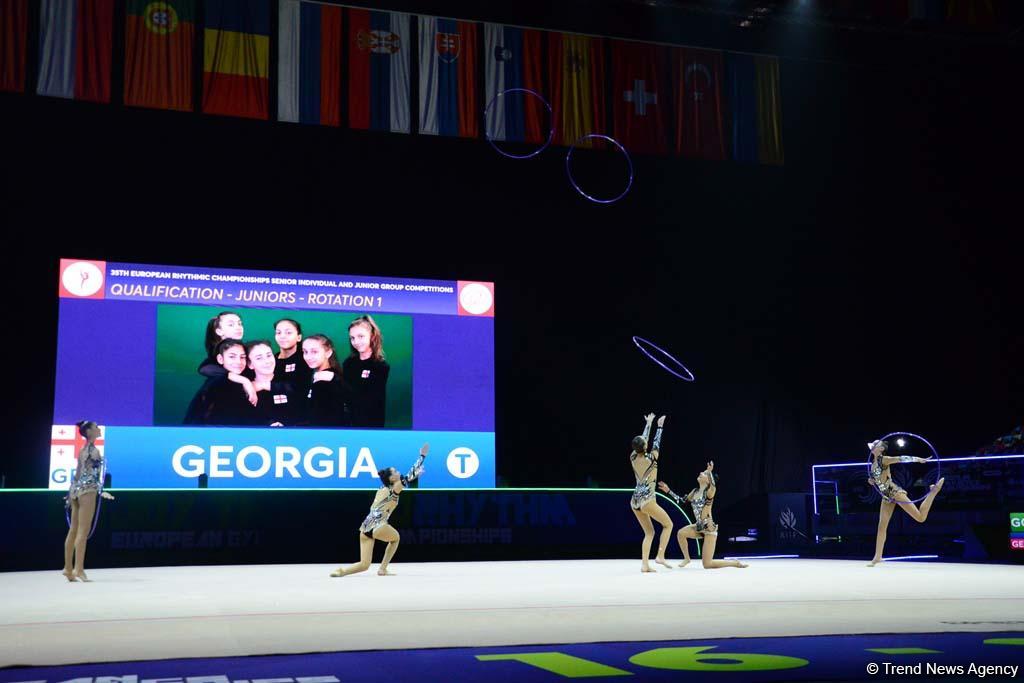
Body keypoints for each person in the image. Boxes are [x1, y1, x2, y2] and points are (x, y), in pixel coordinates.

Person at [331, 444, 428, 577]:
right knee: (396, 539)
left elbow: (410, 477)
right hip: (379, 526)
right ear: (392, 478)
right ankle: (382, 569)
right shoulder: (395, 488)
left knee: (364, 565)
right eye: (395, 472)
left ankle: (341, 571)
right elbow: (409, 475)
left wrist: (415, 476)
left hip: (365, 528)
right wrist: (422, 456)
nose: (398, 472)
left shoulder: (382, 488)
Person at [866, 439, 945, 566]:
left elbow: (900, 458)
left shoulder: (884, 459)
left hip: (894, 492)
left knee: (920, 517)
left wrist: (918, 459)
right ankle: (878, 557)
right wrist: (872, 480)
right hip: (885, 496)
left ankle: (933, 492)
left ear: (881, 449)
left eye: (876, 445)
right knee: (881, 526)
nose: (873, 446)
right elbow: (878, 478)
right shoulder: (873, 463)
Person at [659, 461, 747, 569]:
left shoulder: (709, 492)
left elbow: (713, 488)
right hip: (698, 526)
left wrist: (709, 472)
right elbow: (682, 501)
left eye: (704, 474)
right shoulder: (695, 491)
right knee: (681, 533)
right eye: (703, 472)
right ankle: (687, 559)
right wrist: (668, 491)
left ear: (709, 480)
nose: (701, 473)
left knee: (707, 564)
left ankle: (734, 563)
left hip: (709, 528)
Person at [62, 421, 114, 582]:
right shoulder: (94, 451)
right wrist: (101, 491)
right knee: (83, 532)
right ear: (90, 432)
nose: (99, 429)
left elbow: (77, 474)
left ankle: (68, 568)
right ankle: (79, 569)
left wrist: (71, 493)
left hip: (77, 491)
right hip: (88, 492)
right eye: (96, 427)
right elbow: (93, 476)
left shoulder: (82, 450)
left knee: (73, 530)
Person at [629, 414, 674, 572]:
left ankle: (644, 565)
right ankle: (660, 556)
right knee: (668, 525)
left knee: (649, 532)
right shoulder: (652, 458)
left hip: (635, 501)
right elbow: (656, 443)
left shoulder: (633, 457)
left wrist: (648, 423)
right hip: (648, 500)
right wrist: (660, 426)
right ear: (645, 446)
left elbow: (644, 441)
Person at [183, 340, 258, 425]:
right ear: (220, 359)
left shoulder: (239, 379)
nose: (238, 362)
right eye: (232, 357)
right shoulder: (218, 382)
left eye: (242, 357)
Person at [197, 311, 256, 406]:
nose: (238, 327)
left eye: (240, 324)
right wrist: (243, 380)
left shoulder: (245, 349)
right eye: (231, 324)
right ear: (219, 331)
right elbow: (204, 369)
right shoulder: (216, 353)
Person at [341, 315, 390, 428]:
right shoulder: (348, 363)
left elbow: (366, 398)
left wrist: (335, 378)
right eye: (352, 338)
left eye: (361, 336)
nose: (356, 341)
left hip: (370, 425)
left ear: (372, 336)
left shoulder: (381, 366)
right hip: (349, 423)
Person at [246, 340, 298, 426]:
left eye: (269, 355)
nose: (267, 361)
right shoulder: (248, 387)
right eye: (259, 358)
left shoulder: (289, 380)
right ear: (250, 364)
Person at [302, 334, 350, 426]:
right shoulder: (318, 376)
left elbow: (320, 418)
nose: (308, 357)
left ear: (328, 353)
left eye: (314, 352)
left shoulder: (327, 380)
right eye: (305, 352)